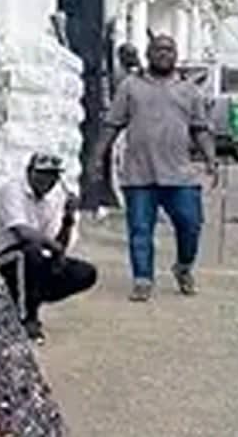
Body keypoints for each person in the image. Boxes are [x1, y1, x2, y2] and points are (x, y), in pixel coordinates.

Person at [90, 34, 217, 302]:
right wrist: (97, 157)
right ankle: (142, 280)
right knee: (140, 230)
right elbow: (112, 124)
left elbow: (200, 129)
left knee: (191, 224)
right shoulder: (130, 86)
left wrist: (210, 158)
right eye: (158, 49)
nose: (163, 54)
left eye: (169, 49)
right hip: (139, 173)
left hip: (179, 174)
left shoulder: (189, 90)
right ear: (148, 54)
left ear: (176, 55)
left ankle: (183, 267)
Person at [0, 153, 98, 342]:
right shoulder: (12, 191)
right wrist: (55, 248)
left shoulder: (51, 201)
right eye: (42, 174)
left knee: (86, 272)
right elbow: (22, 232)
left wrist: (68, 219)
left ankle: (32, 298)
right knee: (30, 251)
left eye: (53, 176)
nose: (47, 180)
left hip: (28, 261)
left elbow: (57, 246)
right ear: (29, 172)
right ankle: (27, 318)